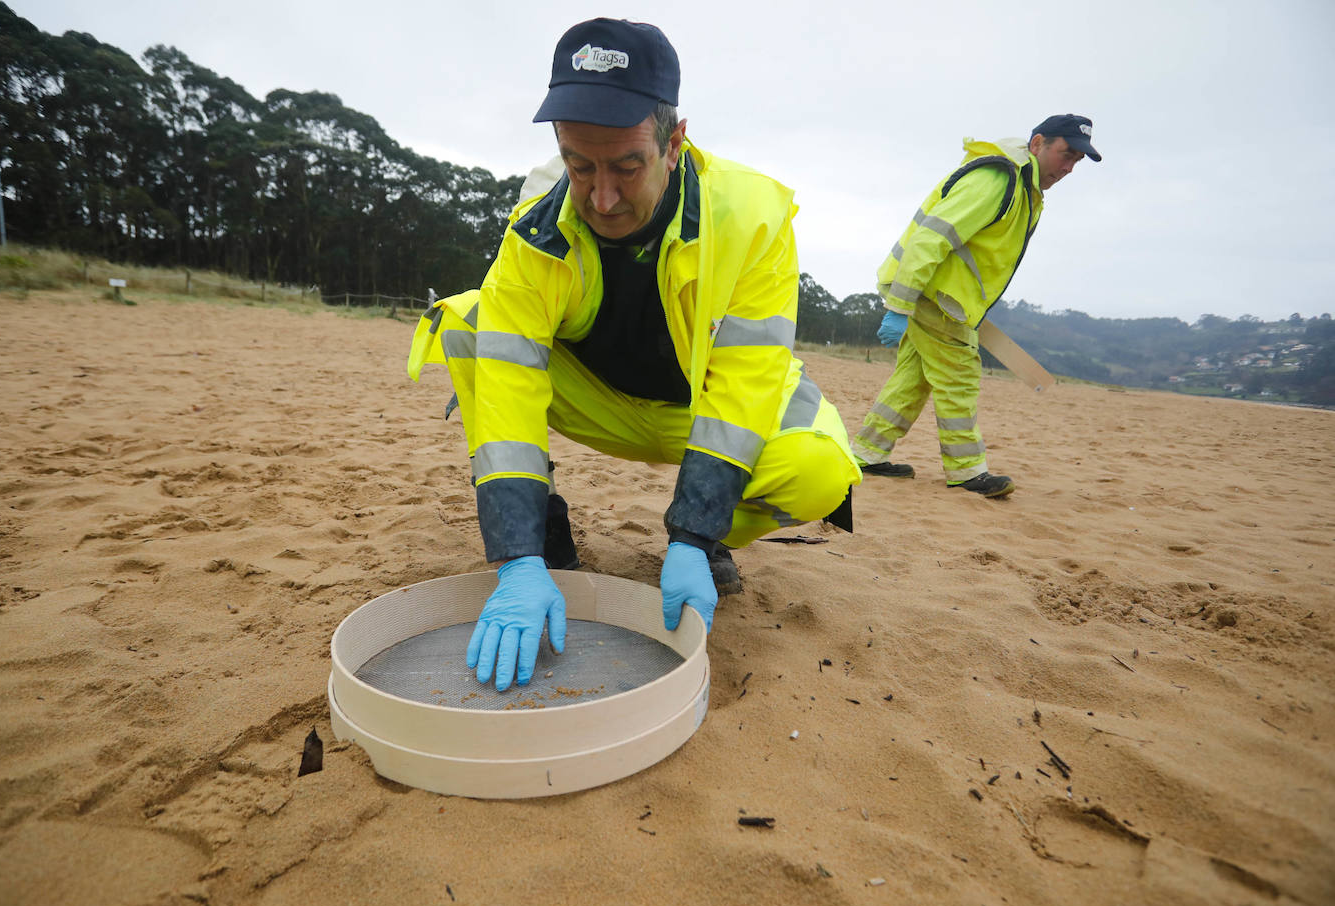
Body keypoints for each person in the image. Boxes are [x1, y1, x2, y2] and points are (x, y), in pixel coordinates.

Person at [407, 18, 861, 691]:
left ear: (674, 140)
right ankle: (544, 535)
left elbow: (746, 385)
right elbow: (506, 385)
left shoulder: (753, 217)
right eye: (578, 164)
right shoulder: (534, 228)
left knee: (821, 471)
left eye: (626, 165)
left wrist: (691, 537)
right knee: (471, 323)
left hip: (705, 408)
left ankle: (712, 546)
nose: (601, 196)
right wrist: (517, 559)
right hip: (599, 401)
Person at [852, 115, 1102, 498]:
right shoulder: (997, 181)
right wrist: (899, 305)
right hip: (933, 295)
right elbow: (929, 240)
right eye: (1065, 154)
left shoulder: (1024, 189)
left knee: (913, 380)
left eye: (1077, 162)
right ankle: (967, 472)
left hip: (938, 295)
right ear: (1037, 143)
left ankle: (865, 454)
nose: (1068, 168)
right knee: (959, 377)